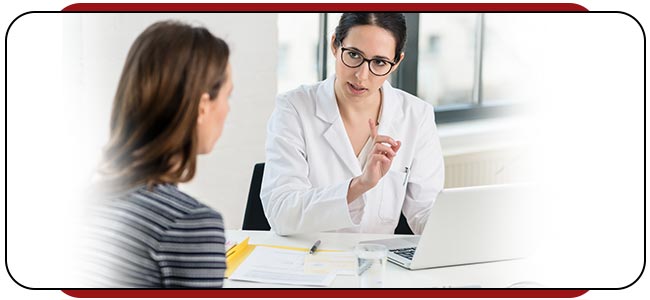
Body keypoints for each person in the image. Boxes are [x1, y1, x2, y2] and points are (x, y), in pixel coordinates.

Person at [261, 13, 444, 236]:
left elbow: (425, 211)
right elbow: (282, 212)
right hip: (305, 260)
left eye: (379, 62)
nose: (361, 75)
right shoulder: (294, 108)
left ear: (396, 63)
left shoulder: (417, 115)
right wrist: (359, 186)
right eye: (354, 55)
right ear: (335, 46)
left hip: (376, 261)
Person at [84, 20, 233, 288]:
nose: (227, 110)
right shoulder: (190, 224)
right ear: (202, 106)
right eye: (226, 96)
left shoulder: (84, 198)